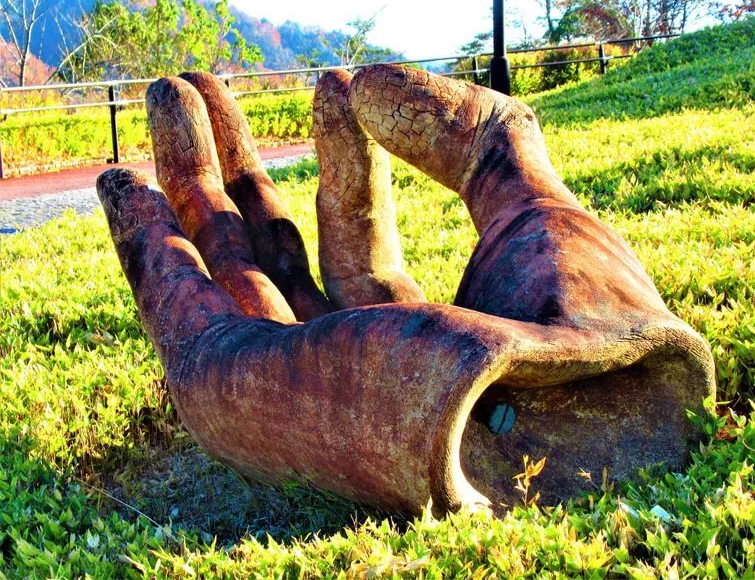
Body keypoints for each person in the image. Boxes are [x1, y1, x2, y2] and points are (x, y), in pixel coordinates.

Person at [97, 65, 714, 516]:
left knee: (236, 252)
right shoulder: (596, 306)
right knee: (288, 264)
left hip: (595, 376)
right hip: (634, 372)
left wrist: (421, 392)